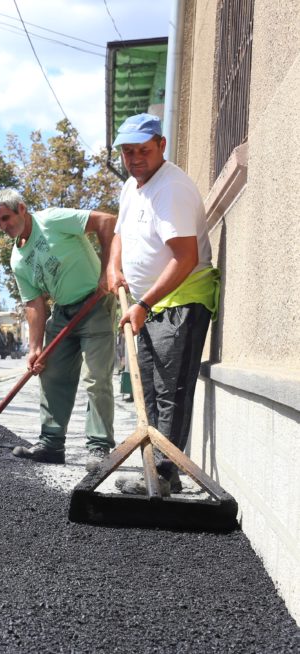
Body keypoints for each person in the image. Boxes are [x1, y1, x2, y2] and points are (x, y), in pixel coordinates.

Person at [108, 113, 218, 496]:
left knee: (170, 391)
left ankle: (165, 474)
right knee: (150, 392)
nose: (135, 158)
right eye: (127, 151)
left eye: (143, 150)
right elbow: (120, 232)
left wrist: (143, 303)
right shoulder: (132, 186)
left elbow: (185, 258)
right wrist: (113, 266)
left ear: (161, 146)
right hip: (150, 303)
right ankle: (153, 470)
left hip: (181, 300)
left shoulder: (171, 190)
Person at [0, 189, 117, 472]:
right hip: (63, 312)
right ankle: (51, 444)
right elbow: (34, 304)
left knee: (97, 377)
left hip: (96, 304)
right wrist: (35, 348)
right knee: (51, 373)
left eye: (6, 218)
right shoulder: (18, 259)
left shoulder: (53, 220)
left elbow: (107, 221)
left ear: (22, 208)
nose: (3, 226)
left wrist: (108, 270)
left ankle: (99, 447)